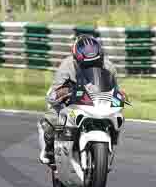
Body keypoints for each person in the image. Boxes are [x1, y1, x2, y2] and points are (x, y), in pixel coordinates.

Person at [38, 34, 118, 164]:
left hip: (98, 103)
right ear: (76, 59)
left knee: (118, 117)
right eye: (86, 65)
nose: (91, 67)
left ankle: (111, 145)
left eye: (95, 63)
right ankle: (48, 149)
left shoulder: (108, 66)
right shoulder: (67, 65)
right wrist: (62, 93)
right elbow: (53, 92)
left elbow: (114, 89)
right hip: (72, 102)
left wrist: (118, 97)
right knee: (51, 119)